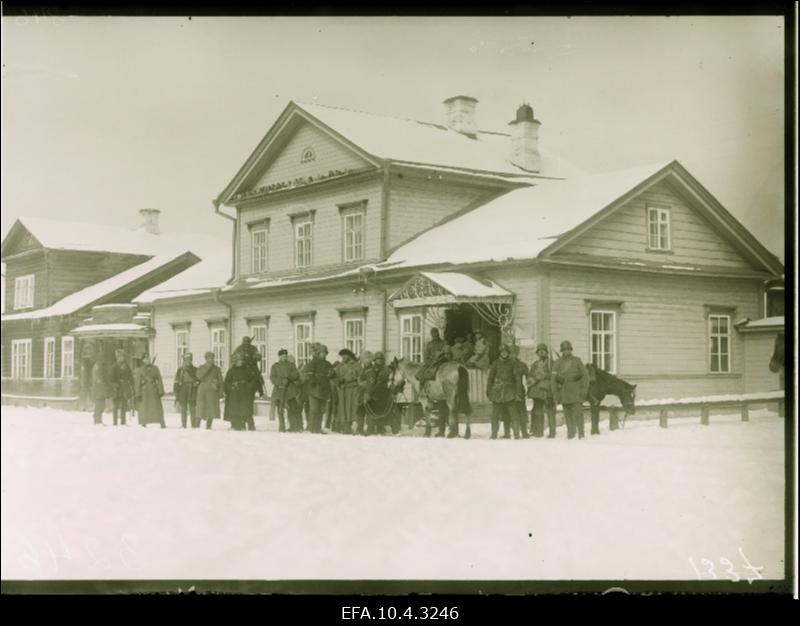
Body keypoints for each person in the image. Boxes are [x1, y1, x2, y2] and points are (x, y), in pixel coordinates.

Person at [552, 340, 589, 440]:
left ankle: (581, 434)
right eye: (564, 350)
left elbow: (585, 376)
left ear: (571, 350)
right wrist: (555, 393)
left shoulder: (577, 360)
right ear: (561, 351)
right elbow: (553, 379)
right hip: (564, 391)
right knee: (567, 414)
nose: (566, 351)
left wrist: (584, 390)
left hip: (576, 391)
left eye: (568, 349)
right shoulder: (557, 363)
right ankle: (570, 434)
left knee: (578, 414)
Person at [486, 344, 525, 439]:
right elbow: (490, 378)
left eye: (506, 352)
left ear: (508, 353)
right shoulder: (495, 364)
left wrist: (518, 393)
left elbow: (518, 379)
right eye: (502, 352)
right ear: (500, 353)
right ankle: (494, 433)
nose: (504, 354)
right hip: (497, 392)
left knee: (513, 414)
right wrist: (489, 391)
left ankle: (516, 434)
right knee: (495, 414)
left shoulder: (513, 364)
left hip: (510, 392)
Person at [301, 343, 335, 434]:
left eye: (325, 353)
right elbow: (309, 373)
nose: (324, 355)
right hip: (314, 389)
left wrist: (332, 373)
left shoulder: (328, 364)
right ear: (318, 353)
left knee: (321, 410)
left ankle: (318, 428)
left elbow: (332, 373)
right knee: (314, 409)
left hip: (324, 390)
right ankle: (310, 428)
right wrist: (313, 381)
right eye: (322, 353)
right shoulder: (313, 362)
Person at [224, 351, 262, 431]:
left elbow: (253, 379)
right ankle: (237, 426)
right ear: (235, 361)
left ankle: (250, 426)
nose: (240, 362)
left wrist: (249, 386)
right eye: (238, 360)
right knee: (235, 410)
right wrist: (231, 387)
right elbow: (227, 382)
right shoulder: (231, 371)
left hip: (245, 393)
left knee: (246, 410)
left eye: (241, 360)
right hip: (234, 393)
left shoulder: (247, 370)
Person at [362, 352, 395, 435]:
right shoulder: (372, 370)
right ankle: (370, 428)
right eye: (378, 359)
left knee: (382, 410)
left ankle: (380, 428)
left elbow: (390, 379)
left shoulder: (386, 369)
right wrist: (368, 394)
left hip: (384, 392)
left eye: (381, 359)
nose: (380, 361)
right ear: (375, 360)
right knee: (372, 411)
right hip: (374, 392)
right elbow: (371, 382)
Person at [527, 344, 557, 438]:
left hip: (548, 390)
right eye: (539, 351)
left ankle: (552, 432)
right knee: (538, 411)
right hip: (537, 391)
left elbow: (555, 375)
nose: (541, 352)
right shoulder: (535, 365)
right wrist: (531, 381)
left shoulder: (552, 363)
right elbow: (530, 376)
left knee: (550, 411)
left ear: (546, 352)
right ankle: (538, 432)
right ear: (537, 353)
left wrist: (545, 375)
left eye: (543, 350)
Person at [270, 348, 302, 433]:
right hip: (279, 390)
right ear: (279, 357)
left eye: (285, 355)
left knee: (292, 409)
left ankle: (293, 426)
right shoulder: (275, 366)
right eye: (282, 356)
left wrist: (289, 377)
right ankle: (282, 426)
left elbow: (296, 375)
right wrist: (281, 381)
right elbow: (272, 378)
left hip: (290, 390)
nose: (284, 357)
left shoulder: (291, 365)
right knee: (280, 410)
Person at [335, 348, 362, 434]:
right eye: (342, 356)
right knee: (344, 409)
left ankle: (356, 427)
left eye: (344, 355)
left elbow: (361, 376)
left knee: (354, 408)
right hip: (343, 390)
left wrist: (349, 378)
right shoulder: (340, 366)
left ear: (349, 356)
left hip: (354, 389)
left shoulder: (356, 365)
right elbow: (336, 376)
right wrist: (339, 381)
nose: (343, 357)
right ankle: (346, 427)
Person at [195, 351, 224, 430]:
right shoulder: (201, 367)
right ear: (206, 358)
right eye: (209, 358)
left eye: (212, 358)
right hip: (203, 389)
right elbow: (198, 376)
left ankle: (209, 426)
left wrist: (221, 392)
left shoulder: (216, 369)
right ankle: (197, 426)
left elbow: (221, 381)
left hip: (212, 390)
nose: (210, 359)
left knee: (211, 408)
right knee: (200, 408)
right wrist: (208, 367)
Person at [137, 356, 166, 428]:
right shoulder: (140, 370)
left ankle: (161, 422)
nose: (148, 360)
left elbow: (159, 379)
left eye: (149, 358)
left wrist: (161, 390)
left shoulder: (155, 368)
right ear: (143, 360)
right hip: (144, 391)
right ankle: (144, 422)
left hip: (154, 390)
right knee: (144, 407)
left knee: (157, 406)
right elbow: (138, 382)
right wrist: (138, 393)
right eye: (146, 359)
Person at [108, 349, 135, 426]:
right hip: (117, 389)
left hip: (125, 389)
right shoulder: (113, 367)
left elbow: (131, 377)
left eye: (123, 357)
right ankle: (115, 422)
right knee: (115, 406)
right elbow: (110, 379)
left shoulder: (127, 367)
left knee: (124, 406)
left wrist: (132, 387)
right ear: (117, 357)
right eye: (120, 356)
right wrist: (115, 385)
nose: (122, 358)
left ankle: (123, 422)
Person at [173, 352, 199, 428]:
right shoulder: (180, 370)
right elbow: (176, 381)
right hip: (183, 390)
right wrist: (176, 391)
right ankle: (184, 425)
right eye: (186, 360)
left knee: (192, 408)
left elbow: (199, 380)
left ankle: (193, 425)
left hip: (192, 389)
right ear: (184, 360)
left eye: (189, 359)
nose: (188, 361)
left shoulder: (195, 369)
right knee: (183, 408)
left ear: (191, 360)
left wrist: (196, 384)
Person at [510, 344, 530, 438]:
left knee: (522, 411)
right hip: (509, 391)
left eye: (515, 353)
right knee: (512, 412)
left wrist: (530, 388)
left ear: (518, 354)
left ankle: (524, 432)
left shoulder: (522, 365)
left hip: (520, 391)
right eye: (511, 353)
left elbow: (528, 378)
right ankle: (514, 433)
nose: (513, 355)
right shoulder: (506, 365)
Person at [91, 356, 109, 426]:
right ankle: (97, 419)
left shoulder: (99, 366)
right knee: (99, 405)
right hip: (98, 390)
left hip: (100, 390)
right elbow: (98, 380)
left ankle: (99, 419)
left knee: (101, 405)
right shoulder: (97, 367)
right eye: (102, 359)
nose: (103, 360)